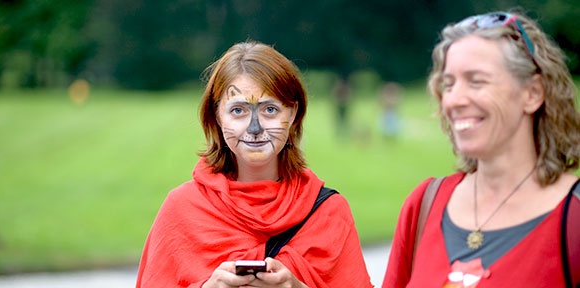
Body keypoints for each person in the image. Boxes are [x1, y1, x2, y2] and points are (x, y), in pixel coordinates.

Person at [136, 41, 373, 288]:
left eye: (270, 109)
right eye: (238, 110)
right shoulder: (181, 210)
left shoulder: (329, 212)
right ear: (217, 116)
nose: (255, 128)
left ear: (292, 113)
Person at [383, 10, 580, 287]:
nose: (454, 100)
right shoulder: (424, 204)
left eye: (477, 81)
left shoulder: (574, 217)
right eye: (448, 84)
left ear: (533, 94)